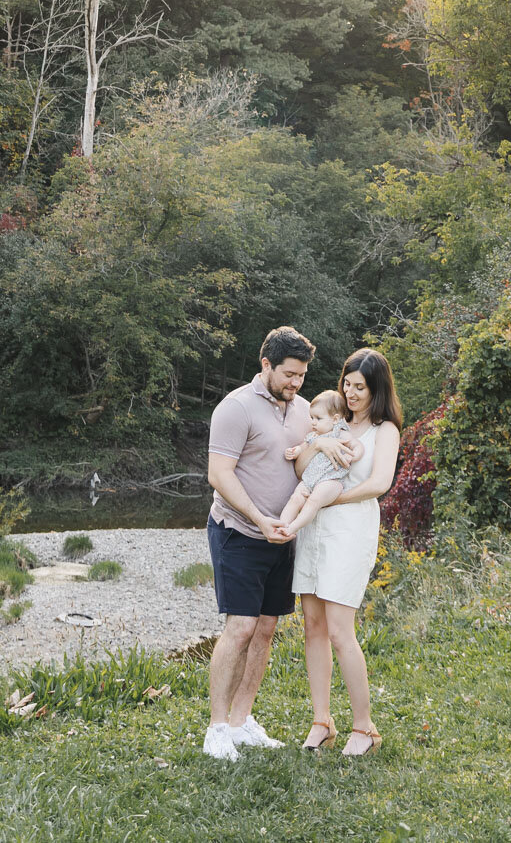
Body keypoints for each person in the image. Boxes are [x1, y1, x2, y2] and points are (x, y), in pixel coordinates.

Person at [203, 325, 315, 761]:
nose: (296, 383)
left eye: (302, 376)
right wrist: (259, 518)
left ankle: (241, 720)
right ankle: (216, 729)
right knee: (241, 627)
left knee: (266, 629)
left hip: (283, 537)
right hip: (238, 532)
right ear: (265, 365)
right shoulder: (235, 408)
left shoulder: (304, 409)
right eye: (289, 374)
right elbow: (219, 474)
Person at [284, 346, 401, 757]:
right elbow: (301, 471)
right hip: (314, 530)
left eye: (360, 388)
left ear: (377, 389)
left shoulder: (383, 431)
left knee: (339, 630)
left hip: (350, 530)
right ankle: (322, 722)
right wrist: (318, 447)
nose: (351, 394)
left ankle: (364, 727)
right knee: (312, 627)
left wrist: (333, 499)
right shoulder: (331, 423)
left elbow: (380, 484)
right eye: (347, 385)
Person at [277, 390, 363, 534]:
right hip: (310, 478)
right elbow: (303, 448)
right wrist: (295, 451)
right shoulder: (313, 436)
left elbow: (357, 446)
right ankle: (281, 525)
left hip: (331, 479)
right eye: (312, 417)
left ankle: (292, 528)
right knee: (295, 498)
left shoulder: (341, 434)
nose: (313, 422)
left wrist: (352, 457)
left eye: (318, 418)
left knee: (312, 502)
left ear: (335, 419)